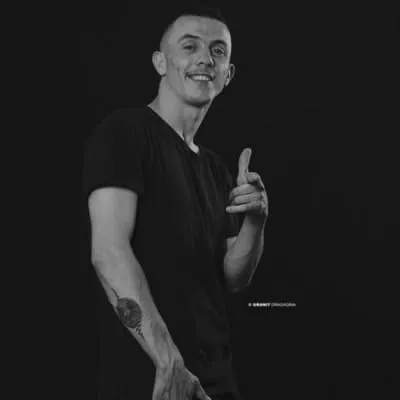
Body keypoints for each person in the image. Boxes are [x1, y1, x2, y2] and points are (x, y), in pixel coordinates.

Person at [83, 5, 268, 400]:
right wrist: (168, 362)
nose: (205, 58)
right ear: (160, 63)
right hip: (152, 377)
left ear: (228, 74)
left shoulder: (216, 169)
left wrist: (255, 221)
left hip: (216, 376)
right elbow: (108, 252)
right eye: (190, 46)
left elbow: (232, 278)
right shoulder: (124, 133)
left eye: (218, 51)